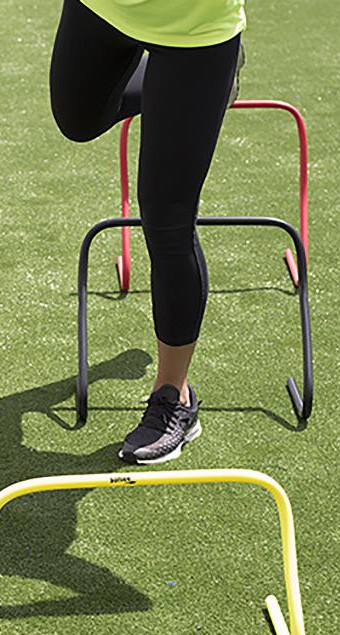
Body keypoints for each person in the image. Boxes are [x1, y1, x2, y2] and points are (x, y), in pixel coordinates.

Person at [49, 0, 246, 464]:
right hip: (105, 8)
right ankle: (178, 91)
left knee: (167, 219)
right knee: (76, 119)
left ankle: (173, 396)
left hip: (195, 27)